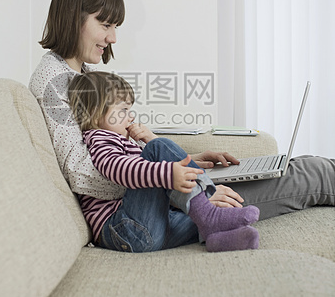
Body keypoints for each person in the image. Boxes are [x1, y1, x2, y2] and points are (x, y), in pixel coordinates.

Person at [29, 0, 335, 246]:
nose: (112, 38)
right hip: (158, 195)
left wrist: (190, 163)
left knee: (300, 165)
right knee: (311, 174)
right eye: (105, 24)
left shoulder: (77, 76)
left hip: (162, 189)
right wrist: (184, 183)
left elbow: (115, 147)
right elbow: (82, 173)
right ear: (73, 17)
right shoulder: (53, 80)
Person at [68, 70, 260, 252]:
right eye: (124, 109)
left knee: (194, 218)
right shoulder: (100, 137)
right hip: (124, 229)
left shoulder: (122, 140)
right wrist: (167, 173)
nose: (131, 116)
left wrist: (149, 140)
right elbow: (116, 168)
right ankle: (208, 214)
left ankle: (215, 235)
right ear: (95, 112)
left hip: (147, 231)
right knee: (158, 148)